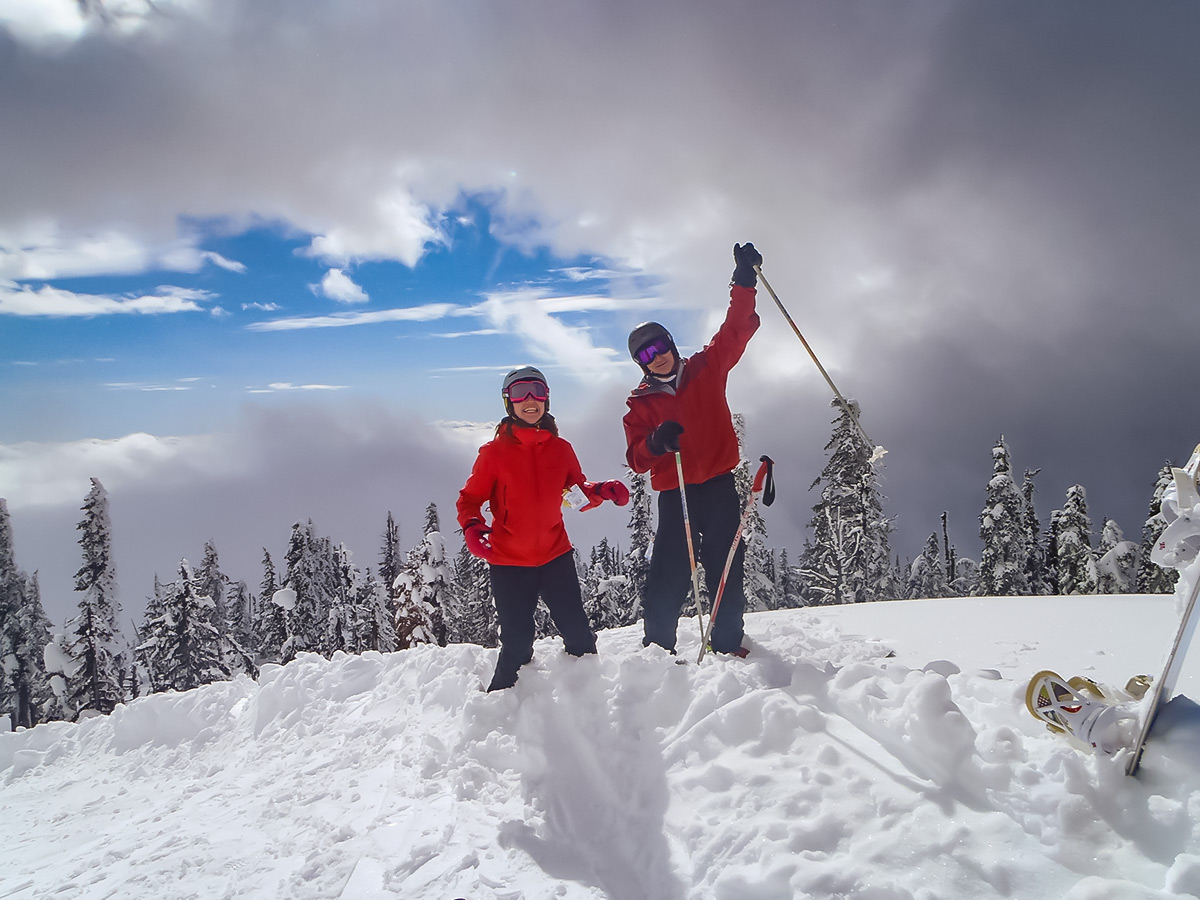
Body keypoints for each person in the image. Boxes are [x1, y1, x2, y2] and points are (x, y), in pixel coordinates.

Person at [623, 242, 762, 657]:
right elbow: (635, 458)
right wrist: (654, 442)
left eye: (660, 347)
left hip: (719, 487)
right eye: (646, 355)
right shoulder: (640, 405)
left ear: (670, 344)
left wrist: (743, 281)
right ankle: (657, 650)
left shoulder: (706, 367)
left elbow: (736, 330)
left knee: (726, 568)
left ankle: (726, 644)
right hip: (676, 494)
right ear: (641, 364)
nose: (657, 357)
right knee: (670, 573)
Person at [457, 365, 630, 692]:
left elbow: (575, 492)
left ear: (547, 398)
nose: (530, 399)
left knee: (579, 636)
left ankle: (589, 701)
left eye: (537, 391)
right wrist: (473, 528)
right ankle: (497, 711)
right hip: (509, 563)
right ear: (509, 401)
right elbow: (469, 500)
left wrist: (601, 490)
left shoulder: (560, 449)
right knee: (517, 647)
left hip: (555, 556)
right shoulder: (493, 454)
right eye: (521, 392)